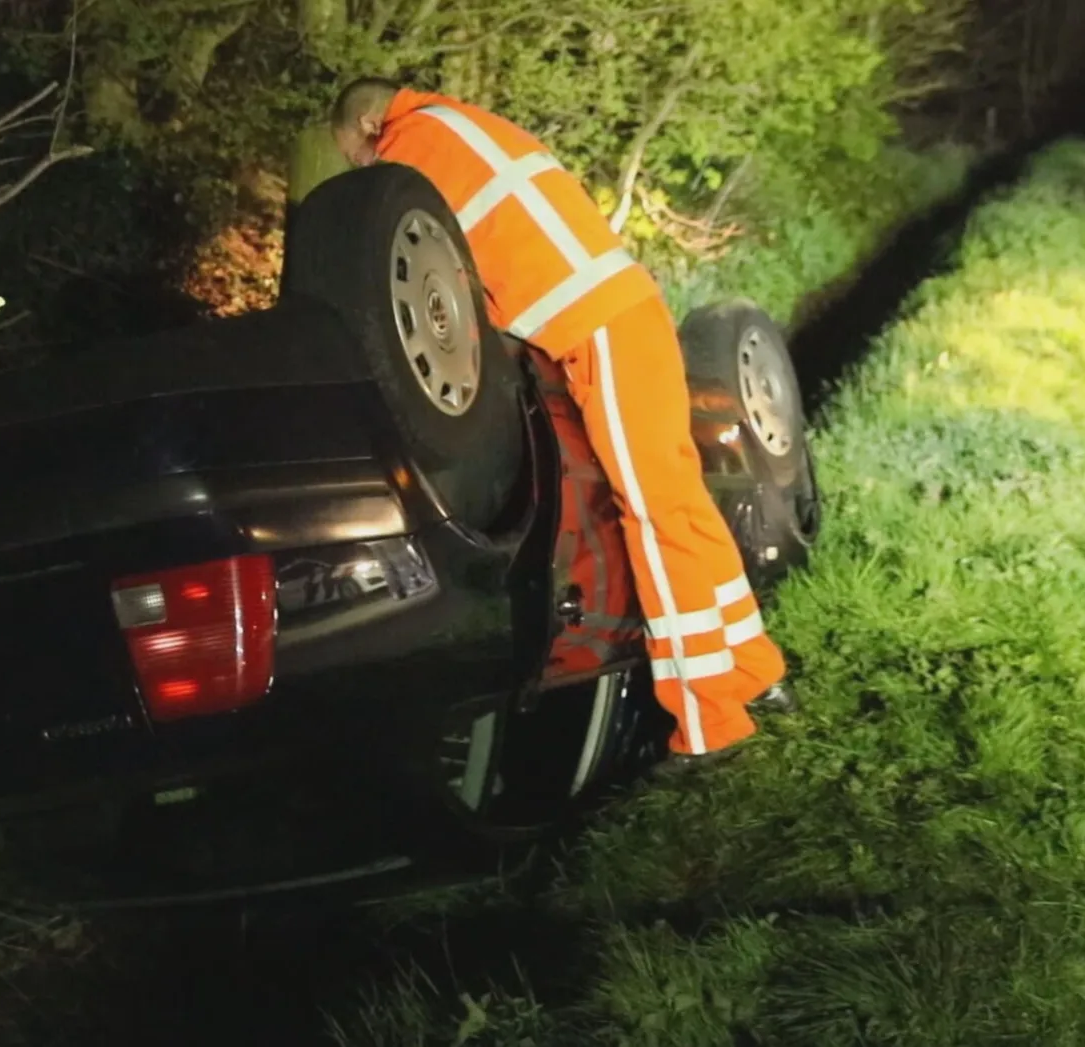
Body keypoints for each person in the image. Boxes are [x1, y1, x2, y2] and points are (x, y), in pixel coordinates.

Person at [328, 78, 793, 771]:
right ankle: (753, 666)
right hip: (626, 311)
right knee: (679, 502)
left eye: (355, 158)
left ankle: (708, 722)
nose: (366, 173)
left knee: (653, 516)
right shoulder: (465, 126)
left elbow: (432, 272)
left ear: (369, 123)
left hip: (595, 329)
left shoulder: (412, 147)